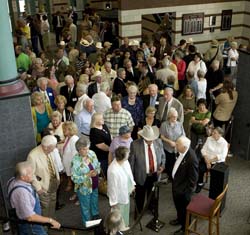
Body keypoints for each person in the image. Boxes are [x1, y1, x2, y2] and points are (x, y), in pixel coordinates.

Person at [7, 161, 61, 235]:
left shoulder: (13, 180)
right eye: (31, 174)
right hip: (32, 226)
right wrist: (50, 220)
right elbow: (30, 217)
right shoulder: (22, 192)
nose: (33, 175)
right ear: (23, 177)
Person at [129, 125, 165, 213]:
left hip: (155, 175)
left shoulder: (159, 142)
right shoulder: (135, 144)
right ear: (143, 137)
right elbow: (131, 163)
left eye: (152, 138)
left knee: (152, 194)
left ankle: (151, 208)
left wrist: (162, 166)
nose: (151, 141)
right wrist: (131, 180)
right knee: (140, 196)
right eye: (148, 139)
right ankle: (139, 211)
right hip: (140, 175)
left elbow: (163, 156)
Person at [170, 136, 198, 235]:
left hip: (183, 191)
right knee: (179, 207)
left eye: (178, 144)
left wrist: (185, 192)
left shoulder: (191, 159)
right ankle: (179, 219)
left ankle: (184, 229)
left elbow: (193, 179)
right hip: (177, 185)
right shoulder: (182, 152)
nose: (176, 145)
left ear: (185, 147)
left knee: (184, 209)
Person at [27, 135, 60, 218]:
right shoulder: (32, 156)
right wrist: (38, 188)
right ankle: (45, 227)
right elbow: (31, 174)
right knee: (45, 207)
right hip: (43, 187)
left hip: (54, 183)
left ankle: (51, 221)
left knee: (53, 202)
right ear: (45, 147)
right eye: (53, 147)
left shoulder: (50, 151)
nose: (54, 149)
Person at [71, 137, 101, 226]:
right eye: (84, 149)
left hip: (95, 184)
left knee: (94, 201)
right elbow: (74, 178)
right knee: (85, 207)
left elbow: (98, 165)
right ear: (78, 150)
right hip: (84, 188)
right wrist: (87, 175)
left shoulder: (92, 153)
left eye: (88, 148)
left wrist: (97, 171)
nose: (87, 151)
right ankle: (88, 223)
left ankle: (95, 215)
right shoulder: (75, 161)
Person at [107, 147, 136, 227]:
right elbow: (112, 187)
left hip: (126, 191)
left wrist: (132, 184)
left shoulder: (125, 162)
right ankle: (117, 228)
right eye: (128, 154)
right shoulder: (112, 170)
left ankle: (124, 226)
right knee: (118, 214)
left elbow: (129, 174)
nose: (129, 155)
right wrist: (113, 202)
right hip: (118, 197)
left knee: (126, 211)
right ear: (123, 156)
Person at [196, 127, 228, 193]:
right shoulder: (209, 139)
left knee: (216, 174)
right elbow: (203, 150)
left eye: (214, 133)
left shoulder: (224, 143)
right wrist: (207, 160)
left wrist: (210, 161)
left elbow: (222, 155)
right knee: (199, 168)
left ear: (220, 134)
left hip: (217, 162)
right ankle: (200, 183)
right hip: (206, 159)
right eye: (212, 132)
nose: (212, 133)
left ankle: (214, 189)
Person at [160, 108, 185, 179]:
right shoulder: (164, 125)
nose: (175, 118)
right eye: (174, 116)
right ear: (169, 116)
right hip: (168, 148)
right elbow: (161, 136)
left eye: (176, 117)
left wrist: (177, 143)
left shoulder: (179, 124)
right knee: (169, 164)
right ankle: (170, 176)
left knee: (176, 163)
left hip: (177, 148)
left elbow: (183, 135)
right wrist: (169, 141)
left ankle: (175, 176)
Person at [62, 121, 79, 192]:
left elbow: (75, 154)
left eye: (65, 129)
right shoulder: (68, 138)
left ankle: (77, 194)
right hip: (68, 163)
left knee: (77, 181)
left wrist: (73, 166)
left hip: (73, 165)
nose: (63, 130)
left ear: (70, 130)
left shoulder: (74, 139)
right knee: (72, 179)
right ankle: (75, 191)